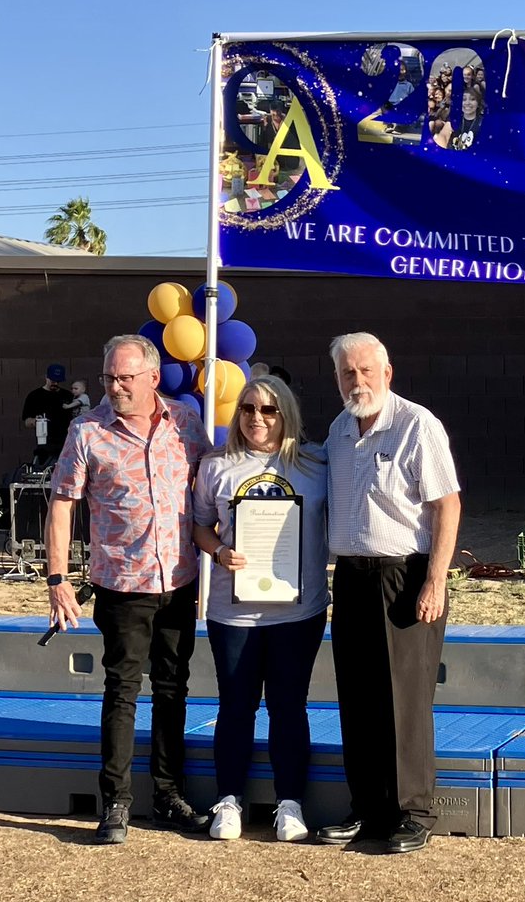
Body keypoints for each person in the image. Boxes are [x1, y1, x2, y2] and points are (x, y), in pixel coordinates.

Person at [44, 334, 213, 845]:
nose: (114, 386)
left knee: (172, 689)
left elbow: (212, 484)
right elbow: (61, 504)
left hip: (179, 581)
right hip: (121, 584)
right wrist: (57, 579)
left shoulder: (185, 424)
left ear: (152, 378)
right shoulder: (87, 431)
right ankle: (115, 802)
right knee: (122, 691)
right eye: (108, 377)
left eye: (124, 378)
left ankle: (169, 795)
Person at [316, 332, 461, 854]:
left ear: (387, 372)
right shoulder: (336, 430)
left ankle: (413, 811)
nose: (357, 381)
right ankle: (368, 807)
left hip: (406, 577)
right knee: (357, 697)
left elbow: (448, 506)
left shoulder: (417, 425)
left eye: (365, 371)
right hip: (352, 578)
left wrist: (435, 580)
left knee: (404, 700)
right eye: (347, 373)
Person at [193, 376, 330, 844]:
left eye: (269, 410)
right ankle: (228, 800)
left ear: (286, 414)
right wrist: (217, 551)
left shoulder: (316, 464)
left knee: (289, 707)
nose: (257, 418)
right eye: (249, 408)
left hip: (299, 610)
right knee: (235, 706)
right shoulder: (217, 466)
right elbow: (199, 526)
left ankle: (288, 803)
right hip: (233, 612)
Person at [21, 363, 71, 469]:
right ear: (46, 377)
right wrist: (36, 421)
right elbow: (27, 421)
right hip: (44, 444)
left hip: (66, 442)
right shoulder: (34, 396)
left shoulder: (68, 396)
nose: (55, 383)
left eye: (58, 381)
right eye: (53, 381)